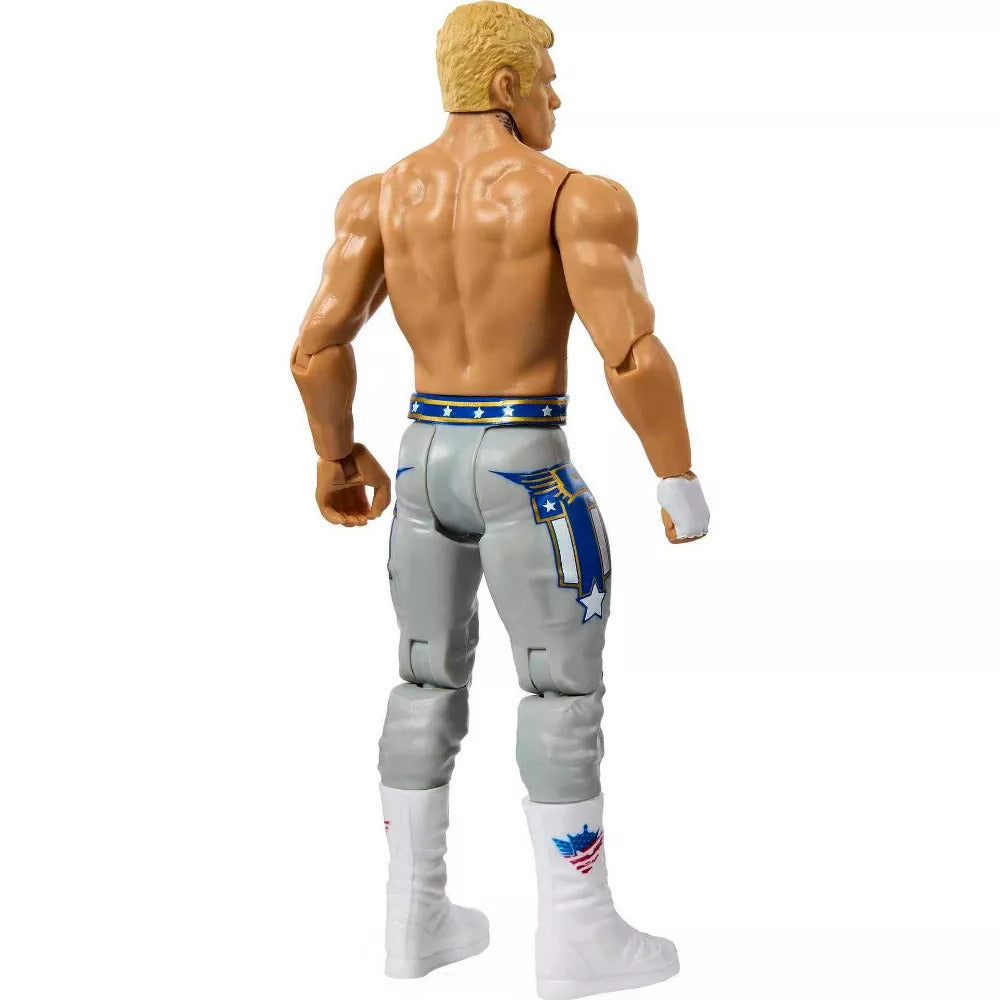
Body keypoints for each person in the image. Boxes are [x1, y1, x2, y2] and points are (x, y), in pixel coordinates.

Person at [290, 4, 709, 997]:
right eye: (547, 79)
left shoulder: (379, 196)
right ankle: (577, 933)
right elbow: (628, 351)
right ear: (507, 85)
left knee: (422, 679)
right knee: (560, 689)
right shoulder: (572, 196)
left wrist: (335, 454)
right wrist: (676, 473)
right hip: (524, 463)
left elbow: (315, 348)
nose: (557, 97)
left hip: (420, 459)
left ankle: (414, 922)